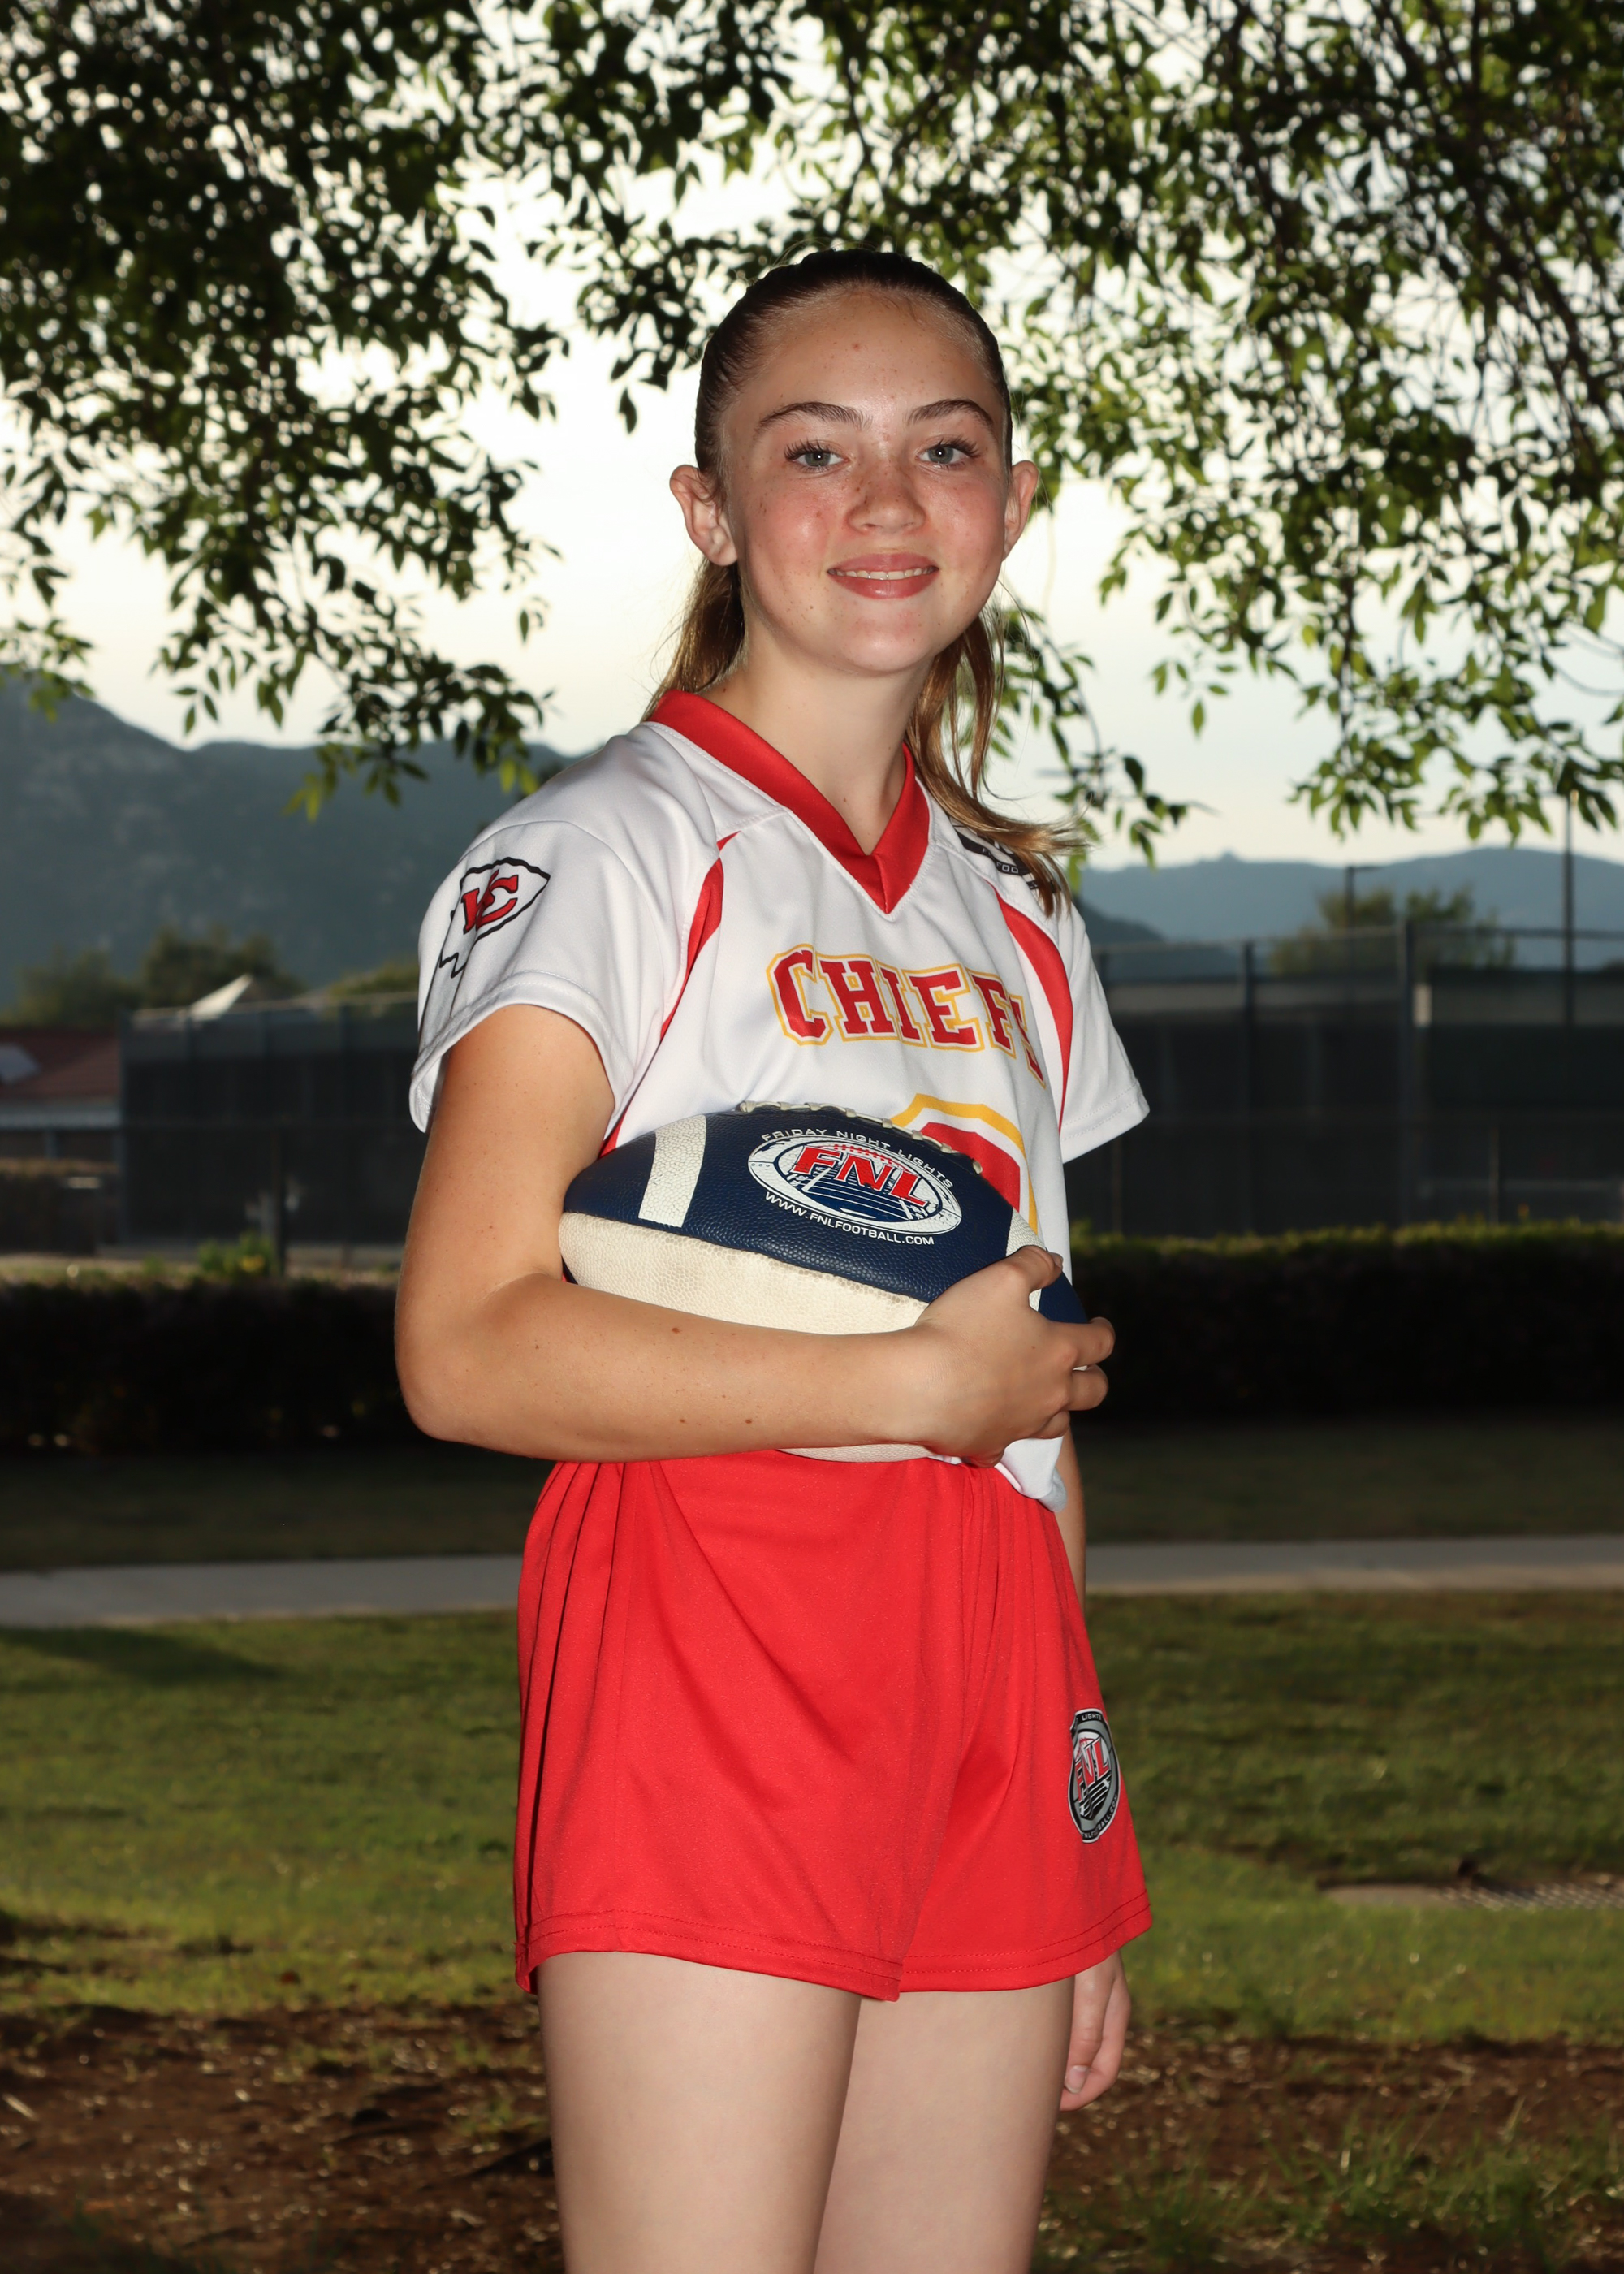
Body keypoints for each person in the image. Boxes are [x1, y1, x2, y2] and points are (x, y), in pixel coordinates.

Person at [397, 248, 1151, 2274]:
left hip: (993, 1665)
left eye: (946, 450)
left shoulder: (1019, 913)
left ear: (1011, 500)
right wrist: (904, 1388)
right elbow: (465, 1344)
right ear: (712, 511)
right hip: (716, 1627)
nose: (887, 503)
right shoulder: (608, 852)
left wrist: (1074, 1789)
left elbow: (1029, 1399)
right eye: (815, 452)